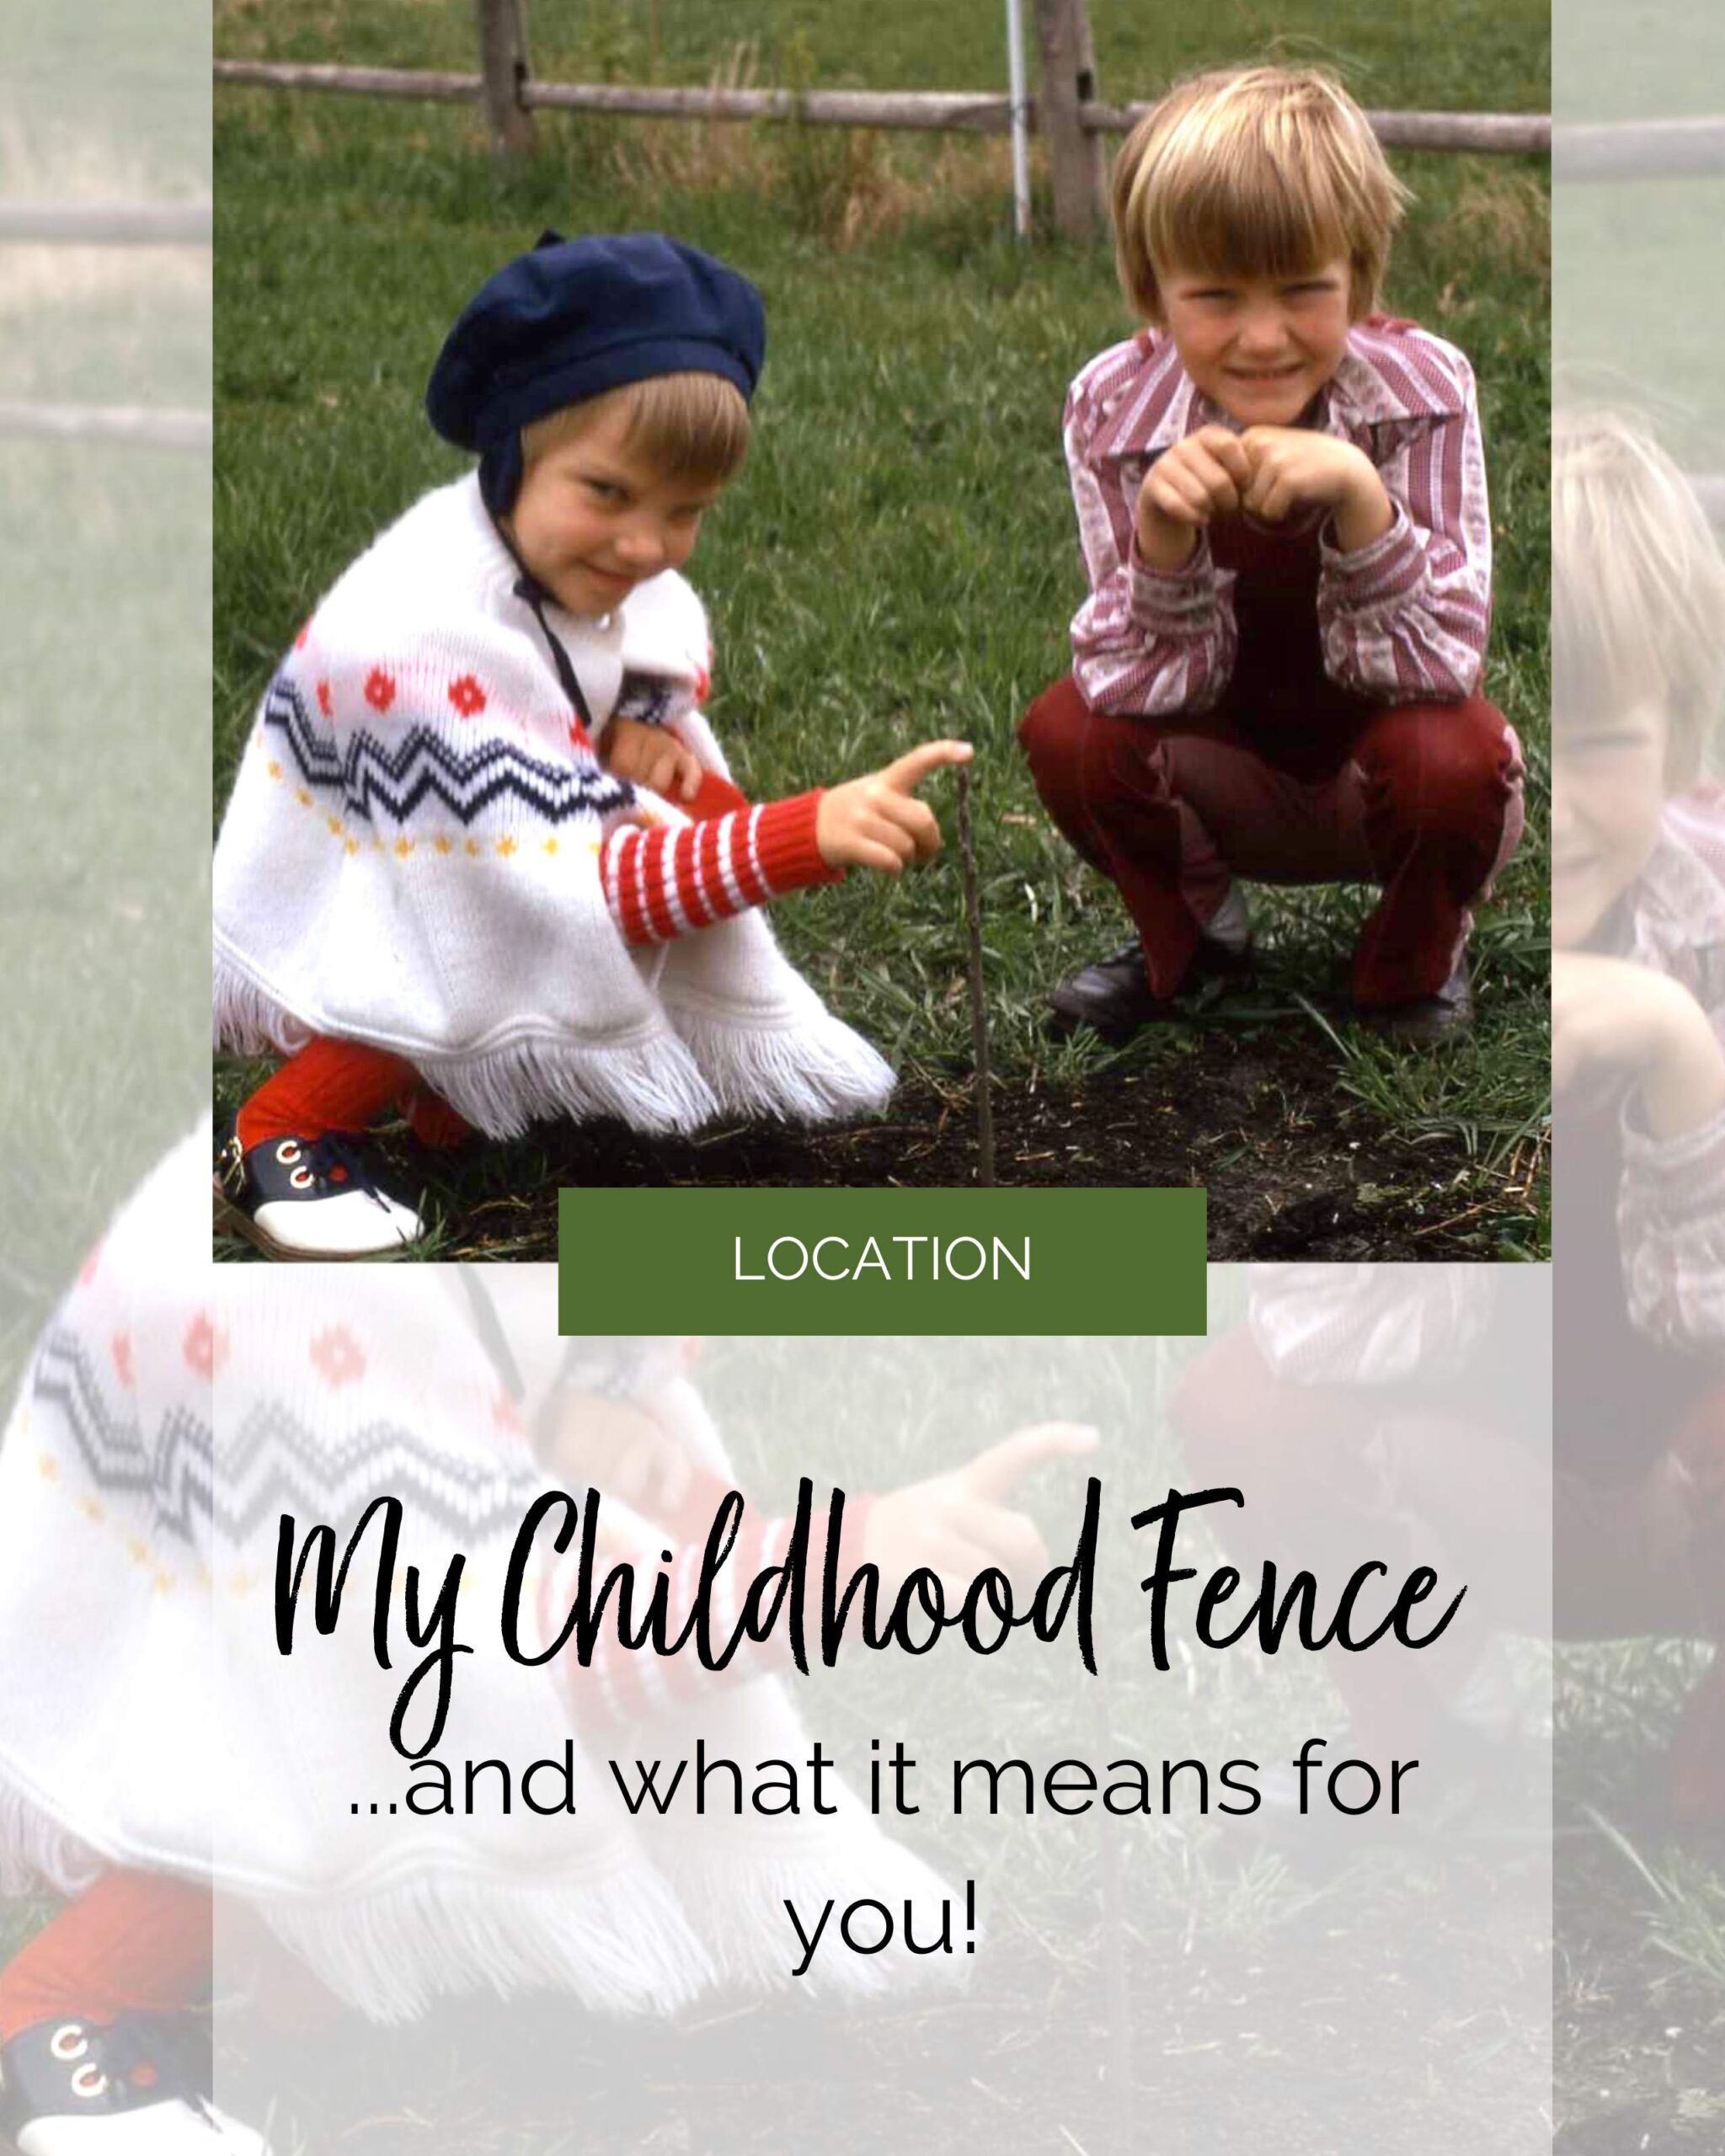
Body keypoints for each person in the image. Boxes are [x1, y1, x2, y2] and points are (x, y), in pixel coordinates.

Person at [0, 1132, 1096, 2151]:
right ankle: (77, 2011)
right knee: (296, 1790)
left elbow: (670, 1539)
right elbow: (514, 1663)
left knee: (414, 1753)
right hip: (226, 1635)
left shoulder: (513, 1259)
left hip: (346, 1437)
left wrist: (575, 1420)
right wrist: (842, 1562)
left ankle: (321, 1977)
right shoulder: (325, 1348)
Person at [213, 232, 969, 1257]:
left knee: (504, 929)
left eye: (686, 511)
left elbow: (646, 785)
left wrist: (654, 760)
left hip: (448, 851)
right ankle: (283, 1132)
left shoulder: (579, 588)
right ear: (513, 451)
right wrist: (805, 833)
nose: (647, 547)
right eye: (607, 494)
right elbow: (586, 892)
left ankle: (468, 1104)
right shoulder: (434, 639)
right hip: (366, 887)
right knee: (447, 962)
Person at [1017, 65, 1524, 1045]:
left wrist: (1358, 498)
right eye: (1213, 294)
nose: (1260, 337)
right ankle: (1199, 933)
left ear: (1360, 276)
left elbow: (1437, 664)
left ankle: (1412, 963)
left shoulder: (1424, 389)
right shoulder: (1110, 411)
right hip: (1222, 762)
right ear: (1150, 288)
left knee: (1453, 758)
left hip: (1383, 768)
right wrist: (1164, 542)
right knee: (1067, 733)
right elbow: (1129, 684)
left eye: (1303, 290)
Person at [1550, 407, 1725, 1832]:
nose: (1542, 806)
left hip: (1692, 1423)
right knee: (1249, 1409)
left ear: (1681, 739)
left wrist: (1674, 1052)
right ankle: (1409, 1735)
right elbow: (1323, 1323)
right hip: (1513, 1445)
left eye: (1597, 742)